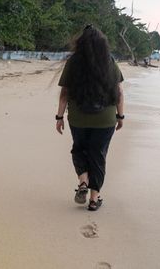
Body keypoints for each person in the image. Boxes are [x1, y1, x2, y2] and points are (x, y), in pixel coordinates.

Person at [55, 25, 125, 211]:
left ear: (81, 43)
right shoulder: (109, 61)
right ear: (103, 44)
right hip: (105, 119)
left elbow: (64, 93)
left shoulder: (73, 62)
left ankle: (83, 181)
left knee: (79, 149)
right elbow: (119, 92)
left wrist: (59, 117)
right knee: (98, 155)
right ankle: (94, 199)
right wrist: (120, 115)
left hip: (78, 118)